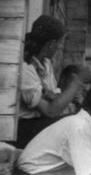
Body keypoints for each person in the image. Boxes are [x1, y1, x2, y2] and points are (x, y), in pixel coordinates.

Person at [15, 15, 86, 148]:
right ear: (51, 44)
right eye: (60, 43)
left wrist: (54, 96)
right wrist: (75, 83)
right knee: (74, 124)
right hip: (20, 128)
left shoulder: (46, 63)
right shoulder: (24, 67)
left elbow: (53, 98)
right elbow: (51, 111)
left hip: (38, 123)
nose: (59, 47)